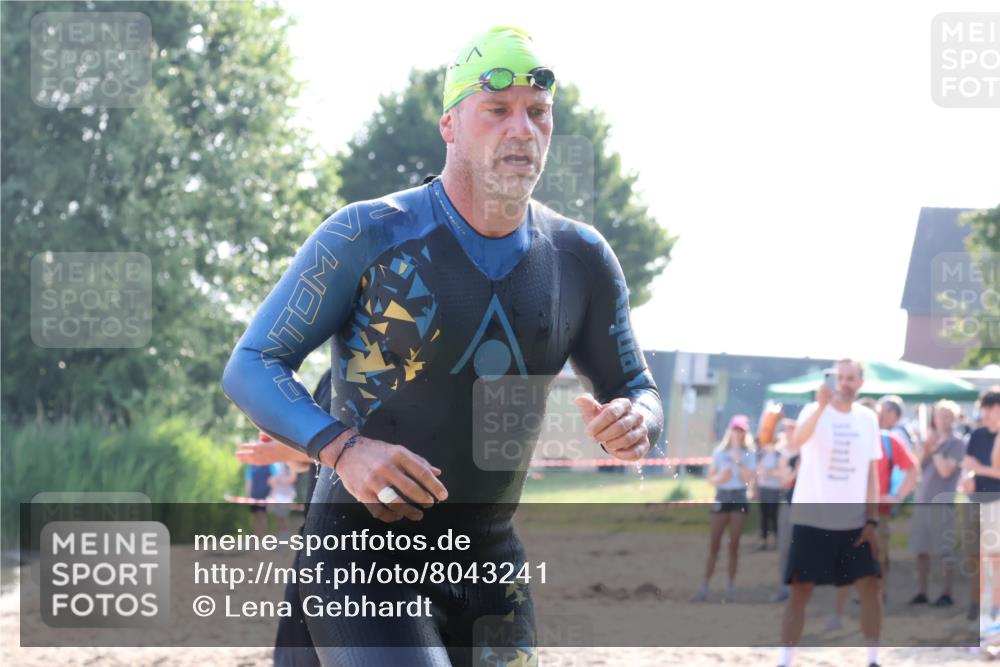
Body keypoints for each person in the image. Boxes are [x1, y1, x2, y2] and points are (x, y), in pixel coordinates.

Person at [221, 26, 663, 667]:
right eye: (497, 110)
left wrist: (636, 420)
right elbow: (252, 364)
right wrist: (342, 448)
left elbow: (638, 388)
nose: (522, 129)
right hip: (361, 556)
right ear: (450, 126)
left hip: (492, 565)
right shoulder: (368, 232)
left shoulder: (580, 257)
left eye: (538, 113)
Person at [779, 359, 883, 667]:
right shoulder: (813, 410)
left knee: (870, 586)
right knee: (800, 590)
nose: (845, 383)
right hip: (812, 519)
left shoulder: (868, 418)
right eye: (841, 377)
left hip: (853, 522)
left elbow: (871, 472)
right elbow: (795, 443)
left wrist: (872, 519)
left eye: (851, 378)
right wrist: (822, 407)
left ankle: (873, 658)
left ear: (860, 383)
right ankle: (785, 659)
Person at [827, 397, 918, 631]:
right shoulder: (844, 440)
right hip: (846, 512)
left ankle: (877, 610)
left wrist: (897, 496)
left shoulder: (889, 441)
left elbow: (912, 468)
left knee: (877, 563)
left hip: (878, 515)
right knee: (843, 562)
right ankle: (838, 614)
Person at [691, 415, 756, 602]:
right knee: (714, 544)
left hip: (738, 496)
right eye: (736, 429)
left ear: (745, 433)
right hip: (723, 495)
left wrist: (739, 462)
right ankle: (705, 584)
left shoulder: (749, 453)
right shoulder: (720, 452)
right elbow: (711, 479)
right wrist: (721, 478)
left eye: (741, 430)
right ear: (730, 431)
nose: (738, 433)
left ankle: (730, 586)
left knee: (733, 545)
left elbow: (748, 479)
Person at [908, 399, 965, 608]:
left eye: (947, 416)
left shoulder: (957, 443)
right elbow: (916, 466)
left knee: (945, 550)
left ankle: (946, 592)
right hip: (923, 501)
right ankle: (921, 592)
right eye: (940, 415)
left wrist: (933, 450)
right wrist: (925, 447)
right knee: (920, 549)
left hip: (942, 503)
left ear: (954, 419)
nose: (943, 419)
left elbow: (945, 471)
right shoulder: (931, 441)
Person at [963, 387, 1000, 623]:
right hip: (976, 502)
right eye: (985, 407)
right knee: (975, 557)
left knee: (995, 559)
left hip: (996, 503)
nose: (987, 412)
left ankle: (995, 608)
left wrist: (979, 468)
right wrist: (966, 477)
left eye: (992, 407)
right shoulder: (976, 436)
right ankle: (976, 606)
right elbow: (966, 464)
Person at [770, 418, 800, 603]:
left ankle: (798, 587)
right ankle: (784, 586)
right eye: (787, 430)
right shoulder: (785, 454)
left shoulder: (807, 451)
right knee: (784, 548)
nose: (789, 433)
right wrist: (797, 471)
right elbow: (783, 482)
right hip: (789, 503)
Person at [756, 432, 784, 551]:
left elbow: (780, 473)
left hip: (775, 489)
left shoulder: (779, 456)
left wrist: (769, 471)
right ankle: (764, 539)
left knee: (774, 515)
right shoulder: (761, 455)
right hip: (764, 488)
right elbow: (759, 472)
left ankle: (777, 538)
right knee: (764, 514)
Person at [245, 461, 280, 538]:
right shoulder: (251, 465)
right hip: (254, 495)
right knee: (255, 516)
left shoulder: (270, 464)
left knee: (262, 515)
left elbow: (274, 480)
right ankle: (256, 535)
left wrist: (272, 495)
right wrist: (248, 495)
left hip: (265, 495)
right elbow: (249, 480)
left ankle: (262, 535)